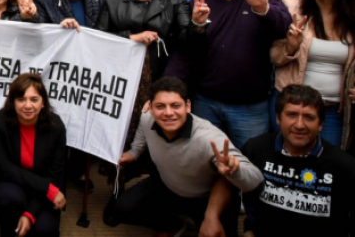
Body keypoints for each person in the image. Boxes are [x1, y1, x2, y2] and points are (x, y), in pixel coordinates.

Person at [166, 0, 292, 149]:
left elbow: (284, 27)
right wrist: (197, 25)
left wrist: (263, 9)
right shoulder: (201, 0)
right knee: (206, 161)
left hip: (250, 106)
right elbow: (186, 50)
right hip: (206, 103)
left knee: (249, 166)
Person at [107, 77, 263, 237]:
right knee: (122, 208)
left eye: (175, 106)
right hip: (169, 188)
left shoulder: (208, 138)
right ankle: (171, 224)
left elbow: (256, 180)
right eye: (160, 106)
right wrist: (133, 154)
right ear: (151, 108)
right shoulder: (147, 119)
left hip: (207, 198)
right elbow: (142, 138)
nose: (168, 113)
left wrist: (235, 172)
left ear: (188, 106)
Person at [96, 0, 191, 142]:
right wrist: (130, 37)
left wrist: (198, 23)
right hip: (122, 77)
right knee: (122, 134)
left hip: (162, 74)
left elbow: (187, 37)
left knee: (157, 132)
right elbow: (99, 39)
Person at [241, 85, 355, 237]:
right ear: (278, 118)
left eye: (309, 117)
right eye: (292, 115)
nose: (299, 125)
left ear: (320, 124)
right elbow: (232, 187)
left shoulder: (344, 167)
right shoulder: (256, 149)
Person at [270, 0, 355, 147]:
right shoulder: (292, 7)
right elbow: (274, 57)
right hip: (292, 105)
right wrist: (291, 47)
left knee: (327, 166)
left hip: (333, 111)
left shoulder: (351, 19)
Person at [0, 73, 67, 237]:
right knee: (8, 199)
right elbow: (4, 167)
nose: (28, 105)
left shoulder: (56, 126)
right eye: (21, 99)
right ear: (13, 102)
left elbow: (54, 175)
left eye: (34, 99)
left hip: (43, 190)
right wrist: (47, 188)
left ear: (43, 102)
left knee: (45, 230)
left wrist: (30, 214)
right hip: (12, 183)